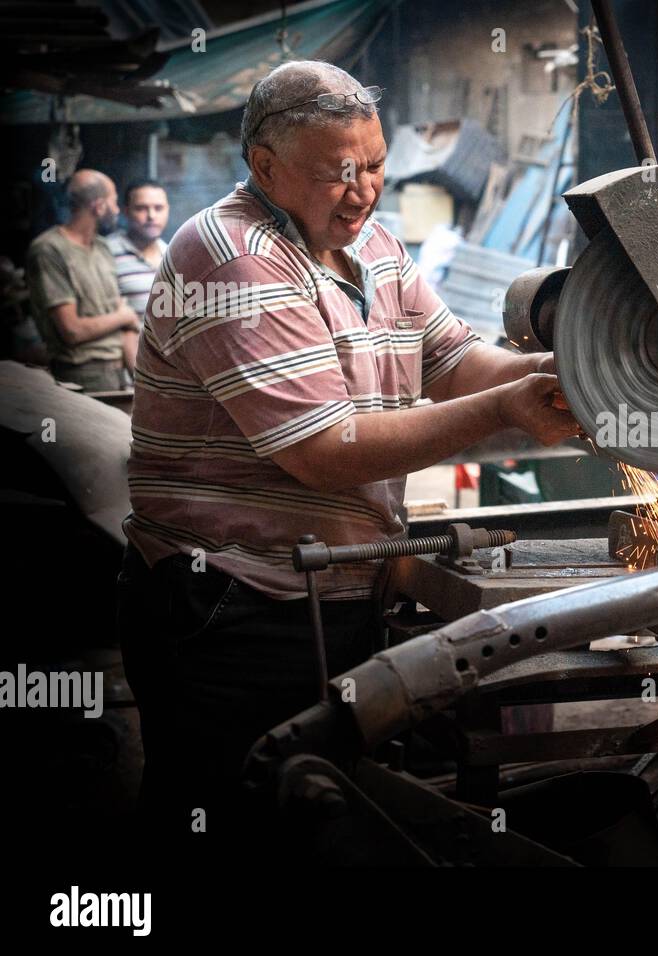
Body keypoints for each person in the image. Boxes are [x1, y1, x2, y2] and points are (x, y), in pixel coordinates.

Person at [117, 60, 579, 860]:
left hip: (329, 585)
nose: (363, 190)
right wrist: (504, 410)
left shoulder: (375, 246)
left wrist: (557, 376)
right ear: (265, 166)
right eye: (339, 174)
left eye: (374, 168)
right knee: (224, 820)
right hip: (231, 604)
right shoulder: (231, 257)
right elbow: (324, 450)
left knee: (317, 821)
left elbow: (457, 359)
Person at [25, 170, 140, 390]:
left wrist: (138, 380)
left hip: (117, 374)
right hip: (80, 376)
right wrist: (123, 316)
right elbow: (72, 331)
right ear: (99, 206)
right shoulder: (49, 250)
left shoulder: (102, 247)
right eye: (114, 202)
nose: (117, 210)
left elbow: (122, 320)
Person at [106, 179, 170, 372]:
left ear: (168, 209)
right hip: (123, 373)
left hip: (165, 373)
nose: (151, 216)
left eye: (158, 208)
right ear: (126, 211)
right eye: (141, 208)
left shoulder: (172, 255)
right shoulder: (106, 253)